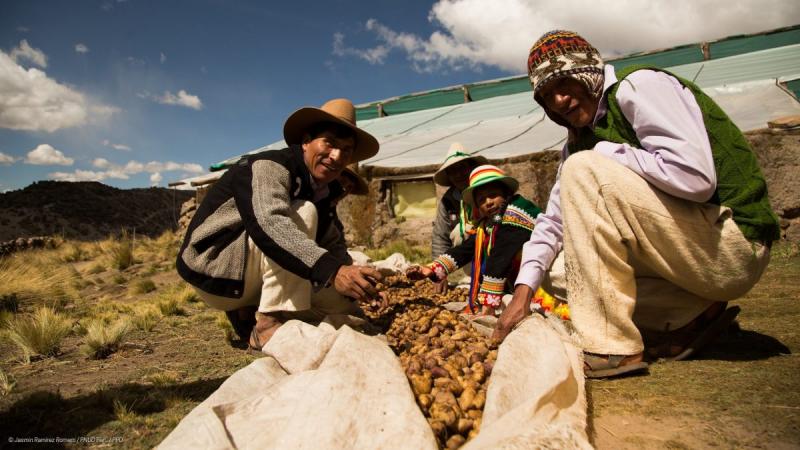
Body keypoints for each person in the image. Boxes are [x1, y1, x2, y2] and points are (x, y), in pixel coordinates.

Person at [493, 30, 780, 378]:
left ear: (587, 70)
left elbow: (696, 179)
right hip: (690, 255)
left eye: (564, 84)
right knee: (557, 270)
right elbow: (553, 224)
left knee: (583, 169)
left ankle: (612, 348)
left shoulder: (638, 87)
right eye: (547, 96)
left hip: (733, 243)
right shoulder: (577, 143)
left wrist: (605, 154)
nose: (559, 101)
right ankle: (692, 315)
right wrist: (522, 295)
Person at [177, 98, 384, 350]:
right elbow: (270, 223)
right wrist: (333, 271)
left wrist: (361, 287)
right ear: (306, 141)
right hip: (218, 271)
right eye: (329, 143)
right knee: (303, 212)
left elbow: (333, 247)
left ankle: (248, 312)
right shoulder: (270, 166)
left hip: (251, 279)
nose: (337, 156)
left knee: (349, 310)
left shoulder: (322, 194)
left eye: (347, 150)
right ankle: (268, 325)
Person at [409, 165, 541, 315]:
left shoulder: (517, 210)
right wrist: (432, 269)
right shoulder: (490, 222)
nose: (488, 202)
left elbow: (500, 256)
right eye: (482, 200)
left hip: (544, 276)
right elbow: (465, 249)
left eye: (493, 195)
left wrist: (488, 305)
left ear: (506, 194)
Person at [430, 142, 488, 294]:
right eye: (453, 171)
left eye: (462, 168)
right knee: (460, 232)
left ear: (471, 168)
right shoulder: (449, 200)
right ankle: (478, 279)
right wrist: (438, 273)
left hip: (495, 245)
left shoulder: (488, 189)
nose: (459, 174)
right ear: (448, 176)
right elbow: (440, 237)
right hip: (468, 251)